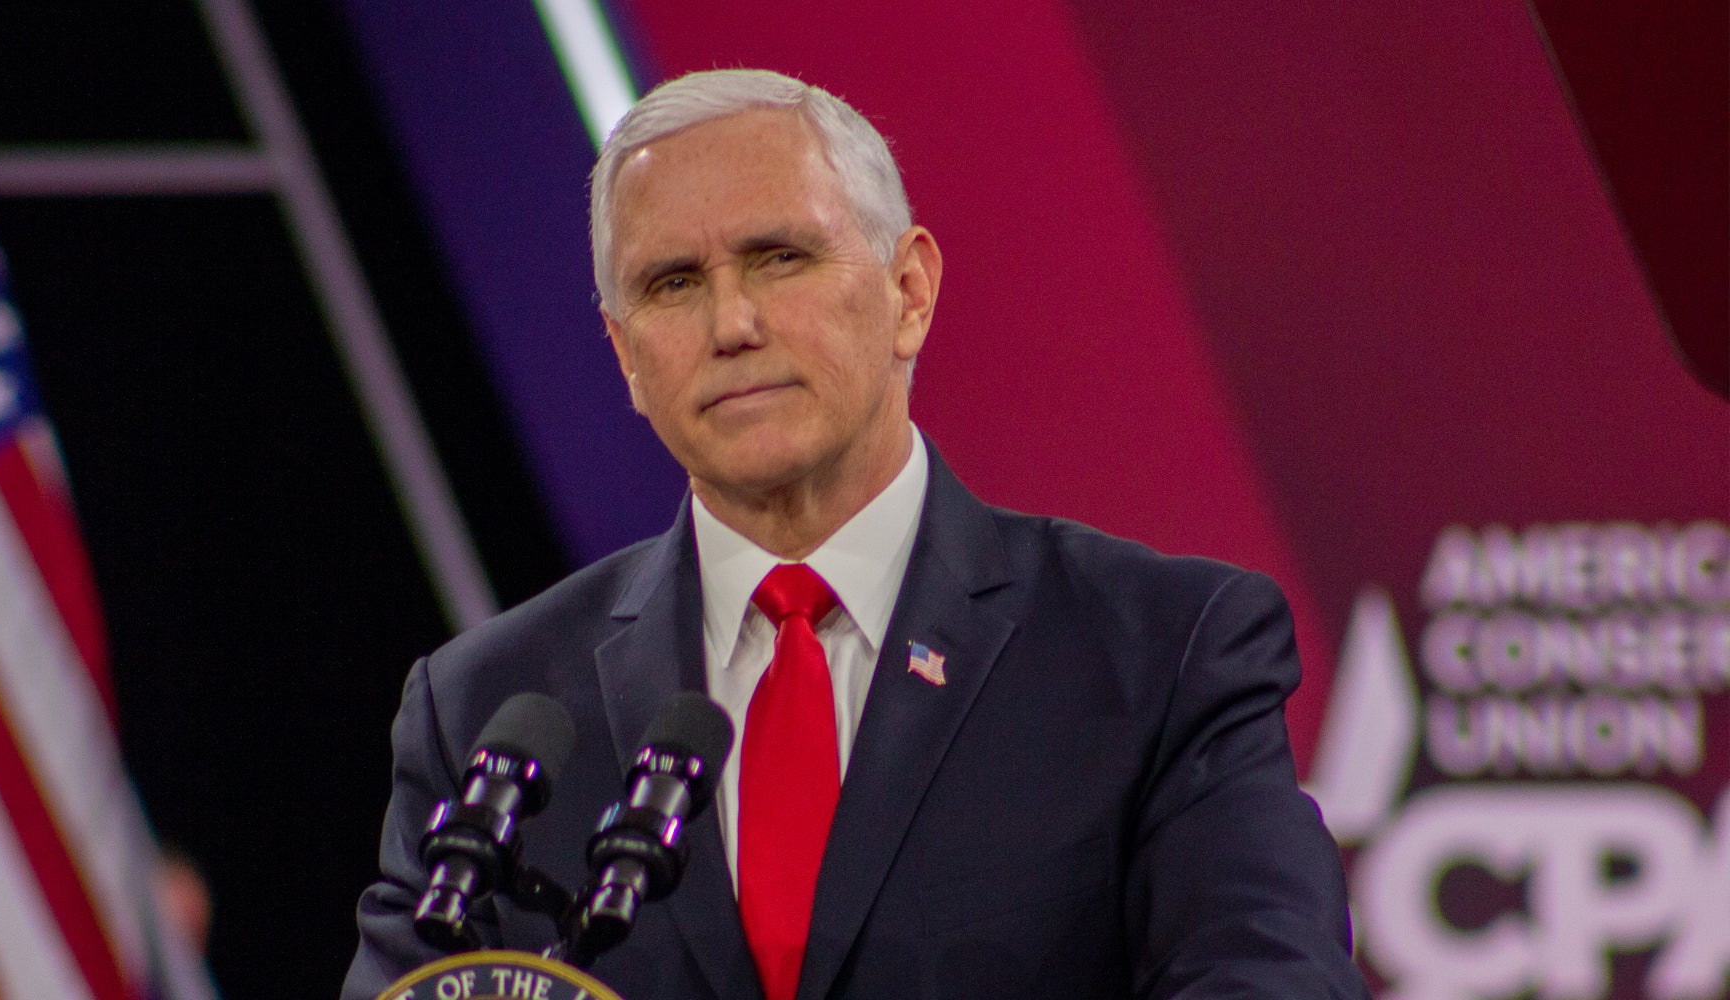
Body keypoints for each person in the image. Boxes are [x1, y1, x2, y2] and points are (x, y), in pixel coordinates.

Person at [343, 68, 1366, 1000]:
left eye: (778, 257)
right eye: (671, 284)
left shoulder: (1158, 652)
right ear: (623, 353)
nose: (730, 323)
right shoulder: (483, 707)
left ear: (907, 291)